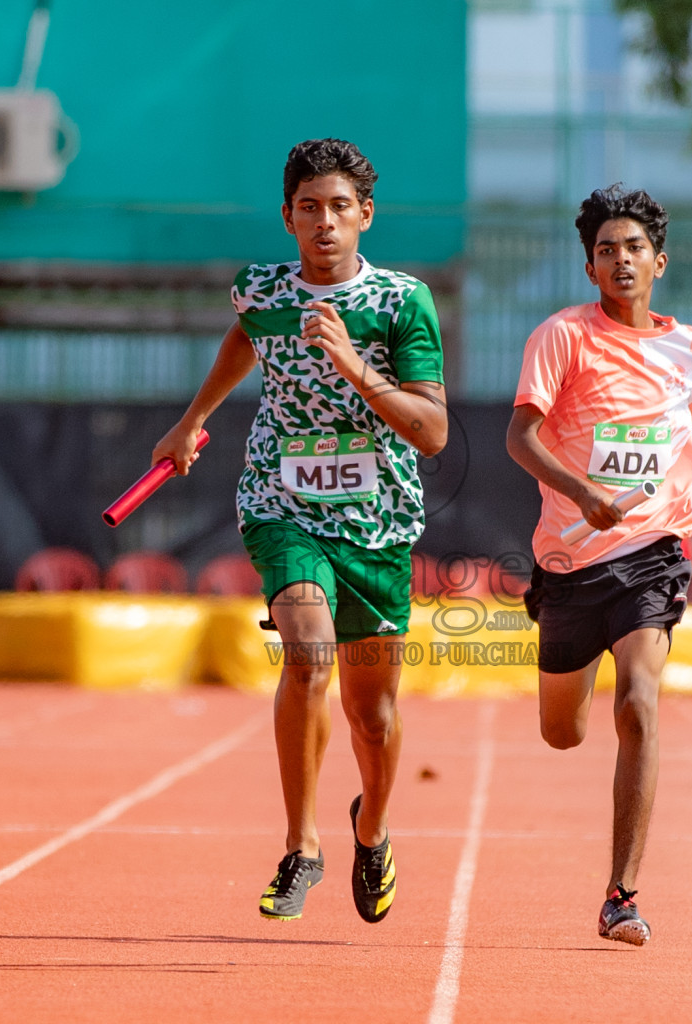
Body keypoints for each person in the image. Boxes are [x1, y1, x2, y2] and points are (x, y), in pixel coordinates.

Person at [152, 139, 447, 923]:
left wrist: (354, 365)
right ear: (286, 217)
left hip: (377, 521)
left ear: (365, 217)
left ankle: (373, 830)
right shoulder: (259, 289)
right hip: (280, 501)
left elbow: (433, 431)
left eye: (340, 208)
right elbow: (247, 338)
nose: (325, 223)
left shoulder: (400, 302)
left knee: (373, 714)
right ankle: (301, 846)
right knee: (307, 652)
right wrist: (192, 421)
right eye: (309, 208)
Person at [504, 184, 692, 945]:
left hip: (655, 553)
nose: (621, 260)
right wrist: (581, 493)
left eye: (633, 248)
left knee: (640, 698)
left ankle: (622, 894)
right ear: (590, 267)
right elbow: (519, 438)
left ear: (659, 262)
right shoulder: (563, 338)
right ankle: (567, 649)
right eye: (606, 250)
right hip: (573, 561)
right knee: (562, 733)